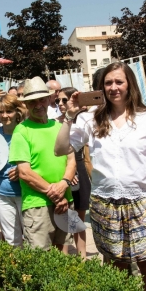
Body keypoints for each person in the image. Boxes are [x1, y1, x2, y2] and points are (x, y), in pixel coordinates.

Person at [55, 62, 146, 291]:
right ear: (101, 87)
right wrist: (69, 116)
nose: (114, 87)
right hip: (105, 203)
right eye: (108, 83)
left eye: (119, 81)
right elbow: (60, 149)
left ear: (130, 85)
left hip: (142, 203)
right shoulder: (90, 119)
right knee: (115, 265)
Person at [11, 77, 75, 251]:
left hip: (65, 200)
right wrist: (55, 194)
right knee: (41, 261)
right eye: (32, 101)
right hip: (37, 205)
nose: (38, 104)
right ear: (26, 104)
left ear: (49, 99)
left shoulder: (59, 126)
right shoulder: (22, 130)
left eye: (41, 99)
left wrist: (63, 185)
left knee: (64, 254)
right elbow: (24, 172)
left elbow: (71, 160)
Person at [0, 94, 27, 247]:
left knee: (31, 237)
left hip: (27, 193)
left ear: (17, 112)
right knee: (11, 240)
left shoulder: (26, 132)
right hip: (0, 194)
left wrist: (21, 171)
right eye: (1, 112)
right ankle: (16, 270)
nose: (4, 116)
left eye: (9, 111)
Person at [55, 86, 92, 259]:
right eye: (58, 101)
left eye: (64, 100)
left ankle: (82, 258)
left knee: (78, 219)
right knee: (65, 219)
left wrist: (76, 173)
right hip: (63, 172)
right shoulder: (55, 122)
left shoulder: (83, 120)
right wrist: (67, 175)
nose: (61, 104)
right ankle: (64, 258)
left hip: (79, 170)